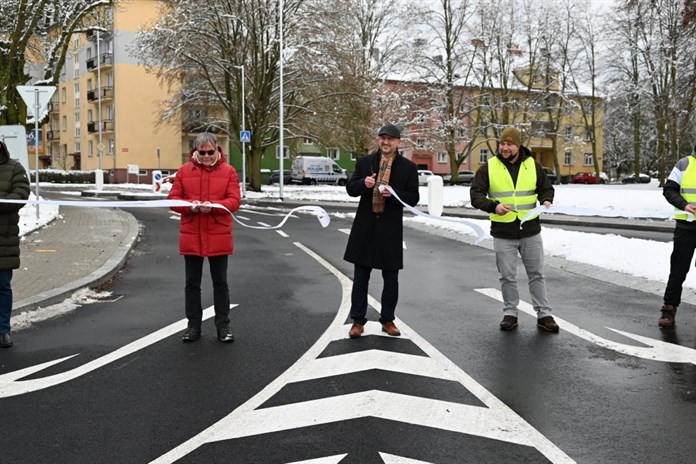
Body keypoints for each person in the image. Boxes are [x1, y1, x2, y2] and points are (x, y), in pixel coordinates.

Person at [469, 127, 559, 333]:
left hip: (530, 230)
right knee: (507, 276)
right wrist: (494, 206)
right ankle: (510, 313)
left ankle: (544, 314)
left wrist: (546, 199)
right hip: (503, 232)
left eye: (509, 144)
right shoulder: (489, 167)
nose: (505, 147)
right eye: (502, 144)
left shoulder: (532, 165)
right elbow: (476, 195)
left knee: (536, 274)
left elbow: (546, 187)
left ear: (518, 145)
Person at [343, 123, 419, 338]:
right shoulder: (365, 162)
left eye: (390, 139)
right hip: (365, 228)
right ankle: (357, 321)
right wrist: (363, 184)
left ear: (398, 142)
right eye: (383, 138)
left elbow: (413, 198)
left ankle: (388, 320)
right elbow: (350, 189)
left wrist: (395, 194)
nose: (386, 142)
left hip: (390, 230)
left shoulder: (408, 167)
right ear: (379, 140)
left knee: (391, 279)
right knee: (360, 279)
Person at [168, 132, 241, 343]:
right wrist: (190, 207)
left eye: (210, 152)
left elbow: (234, 200)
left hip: (218, 235)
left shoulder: (229, 171)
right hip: (192, 236)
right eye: (203, 152)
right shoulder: (184, 171)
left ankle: (223, 328)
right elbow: (173, 199)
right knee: (192, 284)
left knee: (220, 283)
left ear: (217, 149)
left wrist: (215, 208)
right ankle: (193, 327)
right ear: (196, 151)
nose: (207, 156)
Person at [659, 144, 696, 328]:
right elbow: (669, 189)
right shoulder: (684, 164)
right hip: (686, 226)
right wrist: (684, 205)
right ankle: (669, 308)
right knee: (678, 270)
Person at [0, 141, 31, 348]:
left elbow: (21, 194)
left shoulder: (14, 167)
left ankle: (3, 330)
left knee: (2, 286)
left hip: (4, 240)